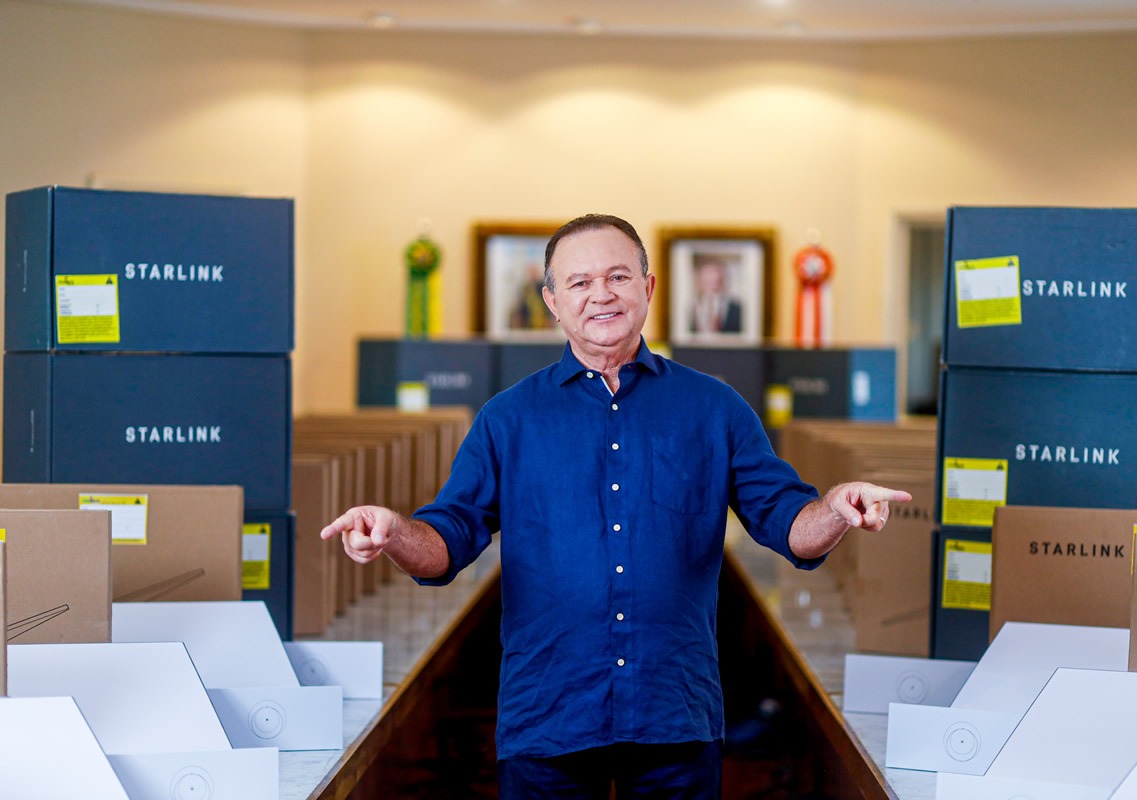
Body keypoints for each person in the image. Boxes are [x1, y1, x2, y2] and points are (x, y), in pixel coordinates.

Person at [321, 213, 911, 799]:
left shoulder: (715, 408)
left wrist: (836, 509)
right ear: (552, 301)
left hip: (674, 712)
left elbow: (788, 523)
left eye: (618, 277)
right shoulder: (507, 419)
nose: (600, 294)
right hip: (547, 713)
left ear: (648, 288)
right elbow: (447, 542)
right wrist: (394, 532)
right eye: (579, 282)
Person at [689, 254, 743, 334]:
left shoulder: (737, 308)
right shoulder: (688, 309)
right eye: (707, 273)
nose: (712, 278)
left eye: (715, 272)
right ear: (699, 277)